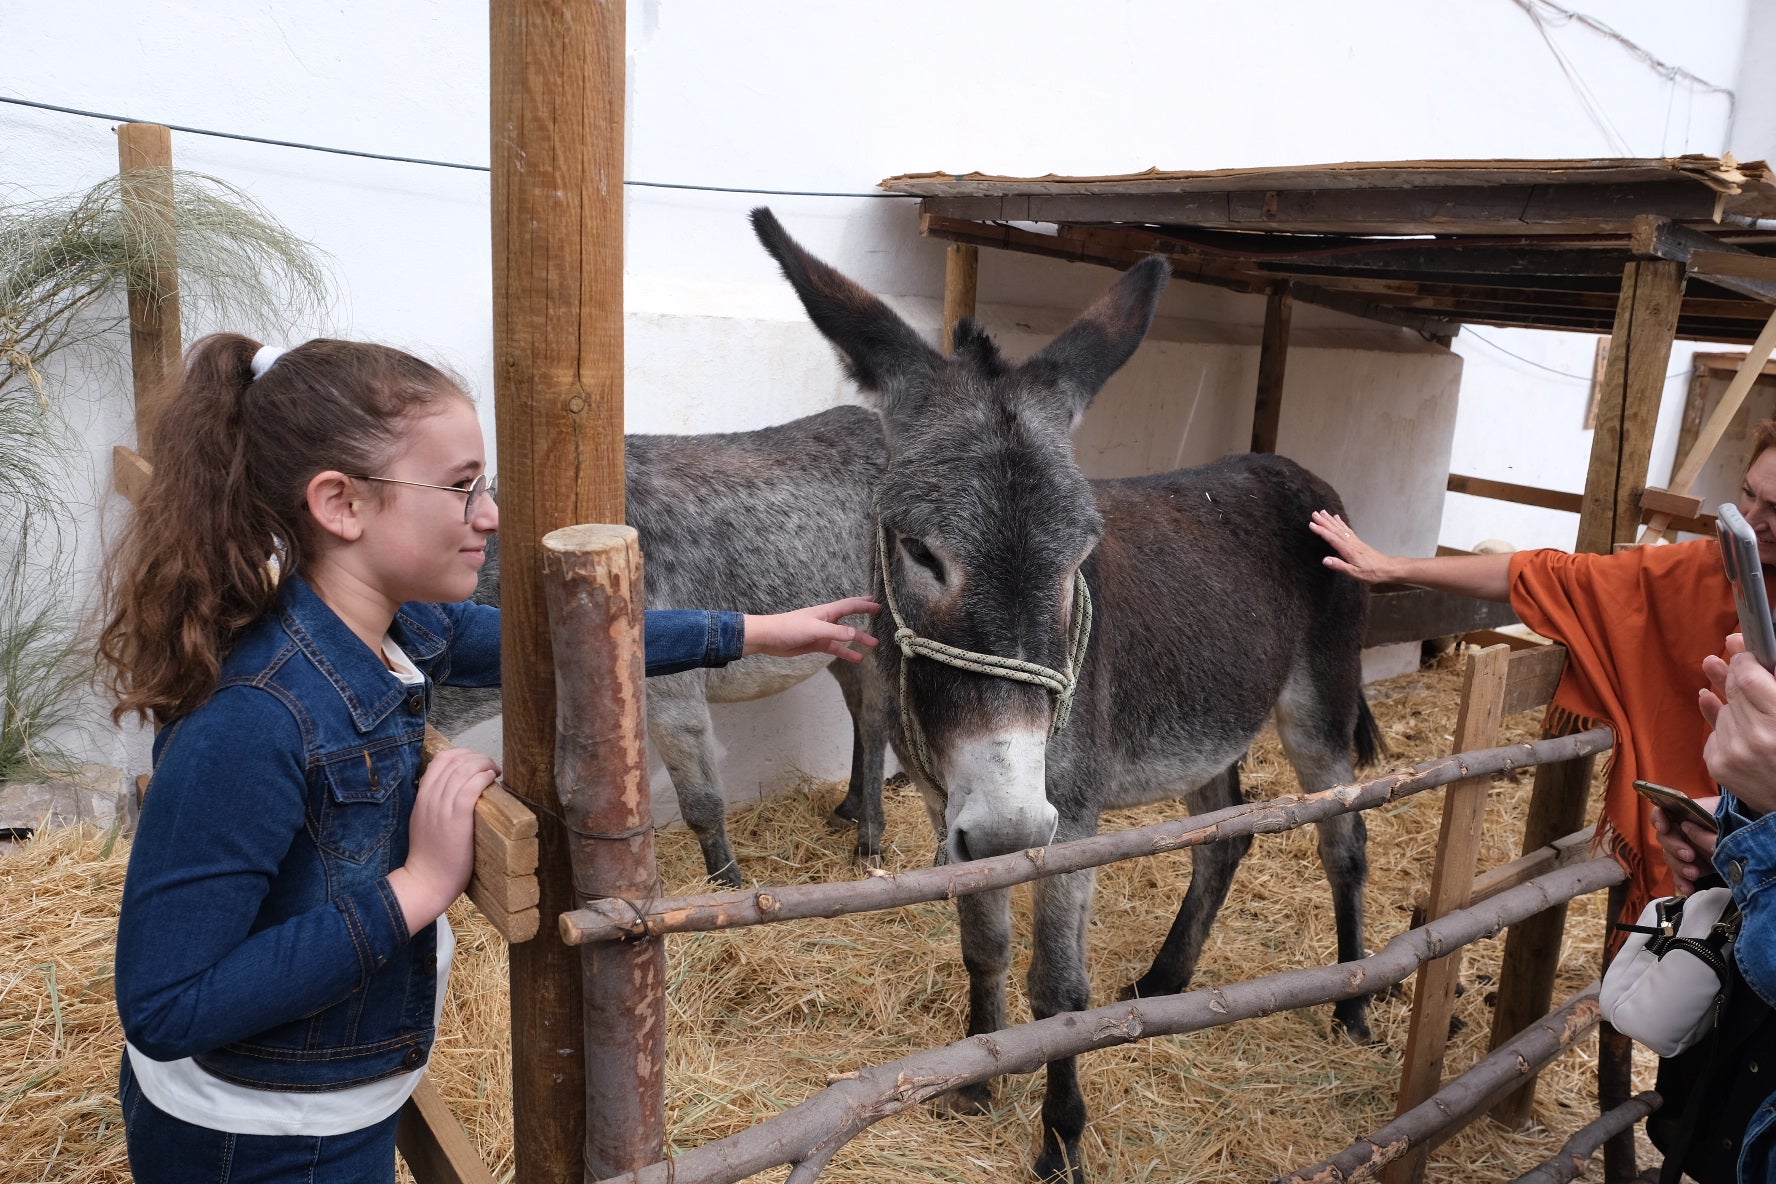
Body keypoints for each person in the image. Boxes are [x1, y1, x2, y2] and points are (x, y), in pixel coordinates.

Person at [98, 334, 879, 1183]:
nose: (491, 515)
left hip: (336, 1103)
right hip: (258, 1139)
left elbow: (556, 641)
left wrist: (750, 632)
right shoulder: (254, 719)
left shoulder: (395, 627)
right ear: (341, 504)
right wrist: (419, 888)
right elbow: (166, 1004)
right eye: (463, 486)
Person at [1309, 423, 1776, 928]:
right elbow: (1550, 575)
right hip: (1701, 860)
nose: (1751, 520)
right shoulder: (1702, 570)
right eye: (1748, 494)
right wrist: (1392, 567)